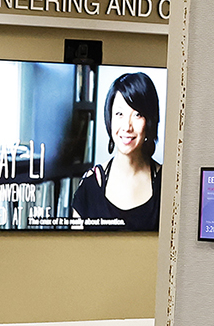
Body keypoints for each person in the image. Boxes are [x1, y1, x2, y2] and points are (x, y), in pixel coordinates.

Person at [68, 71, 160, 231]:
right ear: (109, 118)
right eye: (119, 114)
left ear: (150, 120)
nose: (127, 126)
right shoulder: (90, 185)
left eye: (137, 115)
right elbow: (75, 250)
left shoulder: (167, 184)